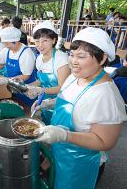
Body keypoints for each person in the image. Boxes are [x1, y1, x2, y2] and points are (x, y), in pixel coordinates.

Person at [34, 27, 127, 189]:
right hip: (60, 152)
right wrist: (48, 103)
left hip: (80, 163)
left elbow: (105, 141)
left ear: (102, 58)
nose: (73, 61)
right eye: (71, 54)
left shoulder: (105, 94)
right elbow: (69, 99)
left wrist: (65, 135)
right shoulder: (74, 76)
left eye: (81, 56)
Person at [26, 21, 71, 125]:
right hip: (43, 102)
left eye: (45, 40)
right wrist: (27, 87)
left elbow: (62, 88)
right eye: (37, 41)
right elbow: (40, 81)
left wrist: (40, 90)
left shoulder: (61, 59)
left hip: (59, 104)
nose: (40, 45)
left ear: (54, 40)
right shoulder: (39, 58)